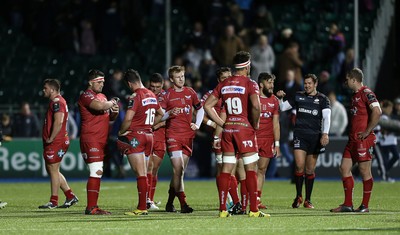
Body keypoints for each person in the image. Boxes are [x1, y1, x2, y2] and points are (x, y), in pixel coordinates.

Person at [204, 51, 269, 218]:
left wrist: (221, 123)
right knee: (250, 169)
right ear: (247, 66)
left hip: (228, 130)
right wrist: (255, 124)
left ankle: (223, 210)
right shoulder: (250, 83)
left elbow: (207, 106)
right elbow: (256, 106)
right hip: (243, 129)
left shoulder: (224, 83)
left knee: (226, 168)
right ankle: (254, 210)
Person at [330, 68, 381, 213]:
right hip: (352, 140)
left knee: (365, 171)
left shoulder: (367, 93)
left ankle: (365, 206)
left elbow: (377, 112)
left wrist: (367, 131)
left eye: (347, 79)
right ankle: (347, 204)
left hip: (363, 139)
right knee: (344, 168)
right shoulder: (354, 95)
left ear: (354, 79)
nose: (345, 82)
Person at [117, 69, 164, 216]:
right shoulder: (151, 94)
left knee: (141, 174)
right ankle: (144, 204)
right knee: (145, 172)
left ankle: (142, 207)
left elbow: (128, 118)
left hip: (136, 137)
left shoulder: (135, 95)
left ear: (130, 84)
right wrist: (149, 125)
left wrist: (121, 132)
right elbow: (161, 114)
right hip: (149, 137)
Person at [160, 65, 205, 213]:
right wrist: (170, 113)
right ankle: (184, 204)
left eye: (183, 76)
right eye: (178, 77)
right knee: (178, 170)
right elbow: (160, 116)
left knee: (179, 173)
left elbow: (200, 108)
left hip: (188, 136)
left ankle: (169, 202)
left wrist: (197, 124)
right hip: (173, 136)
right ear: (172, 79)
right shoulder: (167, 95)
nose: (181, 79)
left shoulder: (190, 92)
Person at [201, 67, 244, 214]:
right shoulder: (212, 94)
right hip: (221, 137)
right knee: (224, 170)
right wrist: (213, 124)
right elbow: (199, 112)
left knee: (235, 170)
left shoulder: (236, 91)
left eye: (229, 76)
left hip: (236, 135)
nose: (227, 79)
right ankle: (231, 202)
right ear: (219, 80)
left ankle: (235, 201)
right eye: (224, 78)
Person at [78, 69, 119, 215]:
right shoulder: (86, 95)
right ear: (90, 82)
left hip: (102, 140)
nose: (102, 84)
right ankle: (91, 207)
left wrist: (115, 110)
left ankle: (93, 206)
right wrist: (111, 103)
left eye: (103, 82)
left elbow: (110, 117)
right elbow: (100, 106)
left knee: (98, 172)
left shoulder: (102, 96)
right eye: (99, 82)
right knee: (96, 171)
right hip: (91, 138)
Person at [288, 74, 331, 209]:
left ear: (315, 84)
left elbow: (327, 118)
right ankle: (298, 196)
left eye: (309, 83)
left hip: (315, 137)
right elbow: (282, 107)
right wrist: (277, 97)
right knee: (299, 165)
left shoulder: (323, 99)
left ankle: (308, 199)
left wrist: (325, 134)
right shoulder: (298, 96)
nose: (306, 85)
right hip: (299, 135)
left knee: (310, 169)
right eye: (305, 83)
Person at [39, 79, 78, 209]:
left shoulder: (57, 102)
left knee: (53, 170)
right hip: (57, 140)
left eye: (45, 88)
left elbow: (59, 121)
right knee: (52, 170)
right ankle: (70, 196)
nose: (43, 90)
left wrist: (51, 137)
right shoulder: (58, 101)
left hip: (56, 141)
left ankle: (53, 201)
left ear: (52, 89)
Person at [255, 73, 282, 209]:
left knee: (261, 170)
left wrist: (277, 144)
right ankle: (240, 198)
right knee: (247, 170)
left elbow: (276, 124)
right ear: (261, 84)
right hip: (252, 138)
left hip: (267, 140)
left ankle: (257, 199)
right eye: (269, 83)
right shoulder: (253, 99)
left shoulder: (274, 101)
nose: (272, 86)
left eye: (272, 83)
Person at [146, 73, 167, 210]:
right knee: (149, 167)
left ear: (162, 85)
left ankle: (150, 199)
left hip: (160, 137)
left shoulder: (167, 96)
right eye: (152, 87)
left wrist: (157, 125)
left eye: (157, 87)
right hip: (147, 137)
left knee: (154, 170)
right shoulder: (145, 95)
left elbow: (171, 116)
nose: (154, 90)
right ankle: (147, 199)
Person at [375, 100, 399, 182]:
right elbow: (385, 129)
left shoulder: (387, 116)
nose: (391, 109)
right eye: (389, 108)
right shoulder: (382, 117)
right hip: (381, 141)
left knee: (383, 160)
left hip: (382, 141)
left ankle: (384, 173)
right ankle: (384, 175)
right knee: (384, 160)